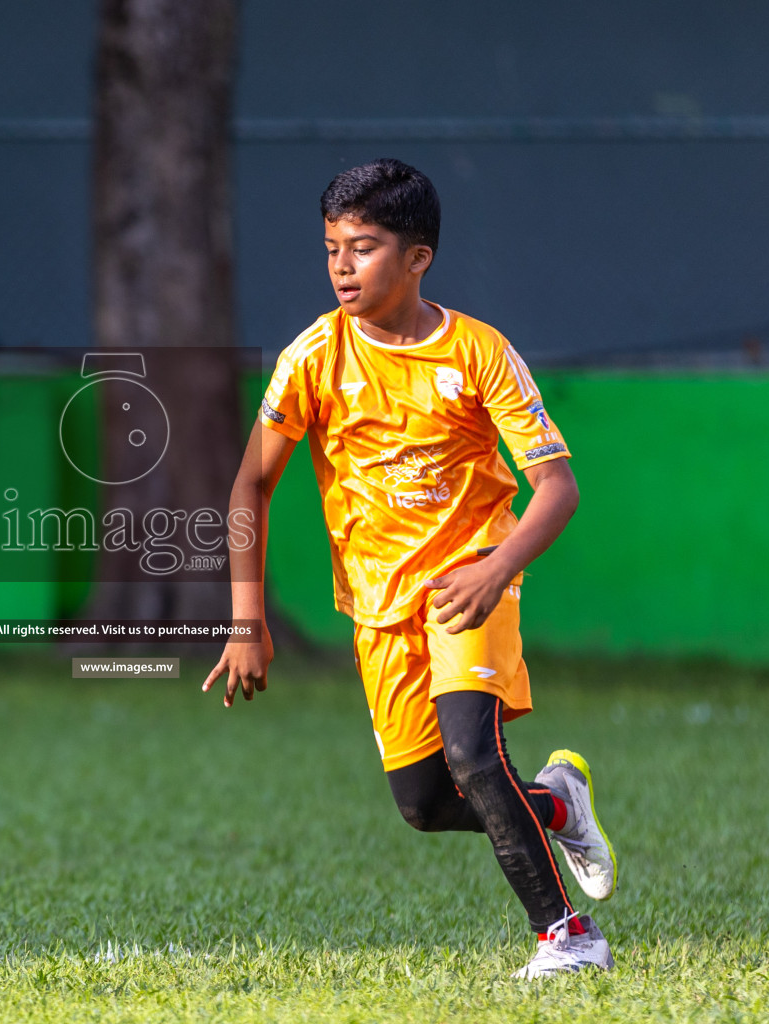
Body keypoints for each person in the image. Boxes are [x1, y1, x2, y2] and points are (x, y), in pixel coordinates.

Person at [203, 158, 618, 979]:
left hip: (469, 582)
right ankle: (555, 804)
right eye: (331, 250)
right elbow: (249, 482)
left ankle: (569, 939)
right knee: (426, 805)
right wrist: (244, 621)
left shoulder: (478, 353)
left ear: (418, 256)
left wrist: (496, 569)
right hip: (377, 606)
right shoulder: (313, 357)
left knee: (473, 754)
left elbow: (556, 491)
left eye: (364, 247)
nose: (343, 268)